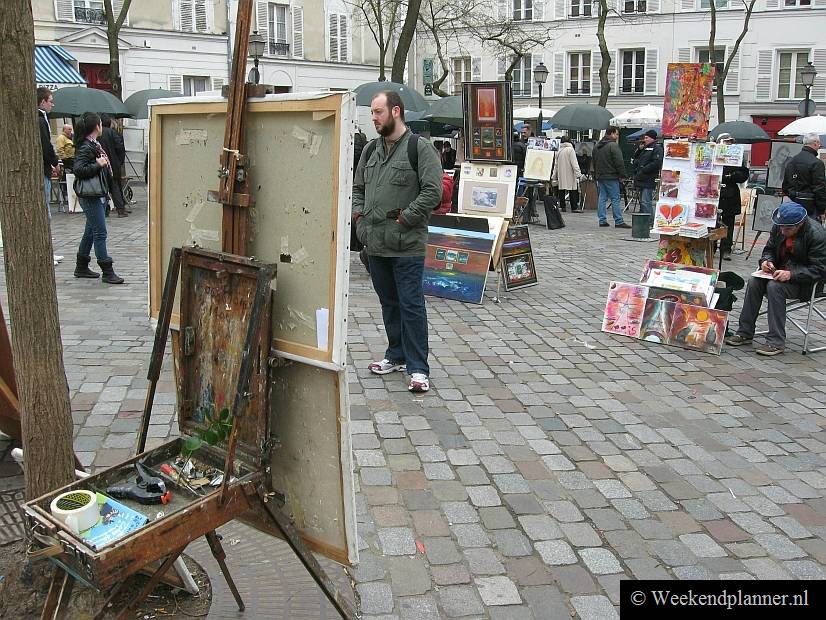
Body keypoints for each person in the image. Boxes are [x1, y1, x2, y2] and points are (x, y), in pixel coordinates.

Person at [352, 91, 442, 393]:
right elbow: (358, 188)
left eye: (378, 112)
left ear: (396, 111)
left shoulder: (420, 148)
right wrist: (359, 219)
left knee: (411, 305)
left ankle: (418, 368)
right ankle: (396, 354)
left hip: (407, 245)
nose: (373, 118)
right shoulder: (370, 150)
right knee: (389, 303)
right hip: (375, 243)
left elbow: (433, 192)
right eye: (372, 113)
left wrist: (407, 218)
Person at [725, 202, 826, 356]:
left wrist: (791, 274)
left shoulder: (816, 234)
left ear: (799, 224)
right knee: (754, 281)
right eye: (781, 227)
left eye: (788, 229)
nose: (782, 231)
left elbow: (819, 269)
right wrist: (766, 261)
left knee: (774, 287)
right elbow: (769, 250)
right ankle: (744, 332)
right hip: (777, 273)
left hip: (805, 283)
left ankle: (776, 342)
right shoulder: (780, 226)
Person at [73, 112, 125, 285]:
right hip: (90, 195)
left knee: (90, 231)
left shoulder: (93, 144)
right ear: (97, 126)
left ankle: (81, 266)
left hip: (97, 193)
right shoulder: (87, 147)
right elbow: (79, 170)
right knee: (100, 232)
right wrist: (98, 164)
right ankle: (107, 270)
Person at [36, 87, 63, 266]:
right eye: (50, 101)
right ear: (42, 101)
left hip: (44, 167)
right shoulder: (40, 119)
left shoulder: (40, 118)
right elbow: (45, 144)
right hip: (44, 168)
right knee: (45, 213)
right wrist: (54, 162)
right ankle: (45, 253)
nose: (52, 104)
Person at [717, 133, 749, 260]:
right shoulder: (714, 152)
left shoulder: (738, 155)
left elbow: (743, 175)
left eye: (731, 142)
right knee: (712, 223)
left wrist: (732, 176)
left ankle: (726, 249)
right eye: (727, 142)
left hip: (730, 194)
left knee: (728, 224)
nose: (729, 144)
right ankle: (712, 246)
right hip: (714, 192)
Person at [782, 132, 826, 221]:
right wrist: (822, 209)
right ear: (815, 143)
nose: (819, 146)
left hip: (794, 205)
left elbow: (785, 186)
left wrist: (793, 195)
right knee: (812, 232)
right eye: (819, 144)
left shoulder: (792, 161)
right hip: (811, 207)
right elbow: (819, 188)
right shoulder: (817, 163)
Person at [593, 126, 629, 228]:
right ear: (611, 133)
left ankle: (602, 220)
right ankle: (618, 221)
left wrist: (596, 175)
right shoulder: (613, 146)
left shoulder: (597, 146)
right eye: (616, 134)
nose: (617, 136)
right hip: (611, 175)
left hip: (600, 176)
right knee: (615, 198)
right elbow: (619, 162)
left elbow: (594, 162)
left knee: (602, 197)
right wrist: (622, 175)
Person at [98, 114, 128, 217]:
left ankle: (104, 210)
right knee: (115, 187)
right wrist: (119, 161)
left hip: (101, 165)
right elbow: (120, 148)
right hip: (113, 165)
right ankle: (120, 210)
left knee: (103, 188)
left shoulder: (97, 134)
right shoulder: (112, 133)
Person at [631, 129, 662, 215]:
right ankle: (644, 220)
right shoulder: (645, 148)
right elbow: (636, 159)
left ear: (652, 138)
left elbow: (657, 162)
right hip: (641, 178)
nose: (645, 139)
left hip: (648, 178)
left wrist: (644, 169)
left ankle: (649, 221)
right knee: (642, 201)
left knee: (646, 201)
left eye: (647, 137)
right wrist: (639, 149)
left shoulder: (656, 148)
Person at [552, 137, 582, 213]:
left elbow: (556, 165)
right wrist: (578, 173)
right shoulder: (570, 150)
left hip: (561, 173)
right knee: (572, 189)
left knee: (561, 189)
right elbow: (574, 163)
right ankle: (574, 207)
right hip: (570, 173)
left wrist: (554, 175)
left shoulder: (558, 151)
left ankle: (562, 206)